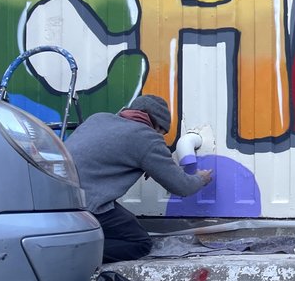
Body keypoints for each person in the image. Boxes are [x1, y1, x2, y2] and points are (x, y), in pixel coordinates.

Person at [66, 95, 212, 262]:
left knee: (126, 222)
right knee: (139, 243)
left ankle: (73, 244)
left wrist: (148, 162)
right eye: (161, 133)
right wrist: (201, 179)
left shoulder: (98, 119)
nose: (160, 138)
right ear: (156, 124)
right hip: (86, 205)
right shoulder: (146, 137)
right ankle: (72, 254)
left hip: (56, 197)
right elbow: (182, 187)